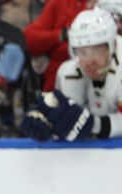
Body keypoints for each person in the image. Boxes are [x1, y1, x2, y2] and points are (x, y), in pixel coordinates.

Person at [20, 7, 122, 141]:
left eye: (97, 50)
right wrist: (49, 124)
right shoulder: (68, 73)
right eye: (81, 52)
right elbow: (72, 125)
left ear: (113, 45)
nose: (89, 61)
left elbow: (88, 125)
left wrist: (94, 125)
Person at [23, 0, 93, 92]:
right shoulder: (58, 2)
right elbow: (30, 39)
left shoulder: (104, 5)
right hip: (56, 83)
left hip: (95, 76)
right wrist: (60, 35)